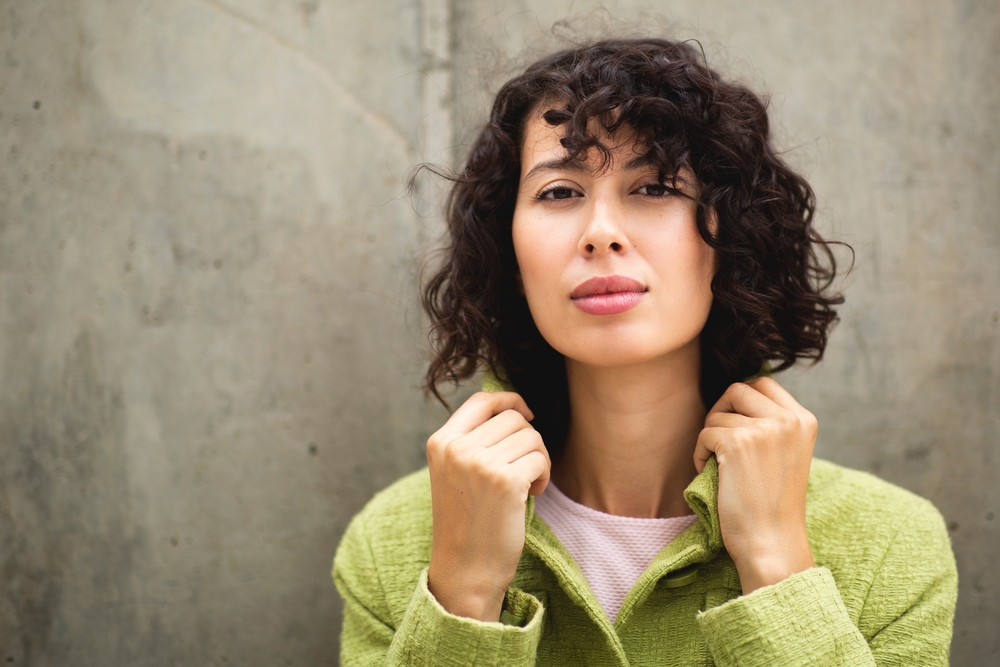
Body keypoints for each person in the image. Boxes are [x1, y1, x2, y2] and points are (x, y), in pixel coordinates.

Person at [332, 38, 957, 666]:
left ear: (729, 235)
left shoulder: (888, 542)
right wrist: (464, 592)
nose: (601, 233)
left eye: (656, 188)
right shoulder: (394, 542)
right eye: (558, 193)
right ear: (511, 254)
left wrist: (776, 561)